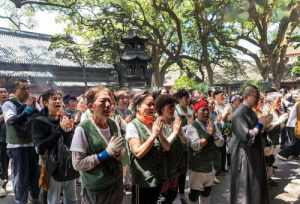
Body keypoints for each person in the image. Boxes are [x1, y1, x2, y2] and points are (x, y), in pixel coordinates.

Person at [70, 86, 124, 204]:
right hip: (96, 191)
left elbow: (121, 152)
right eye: (103, 101)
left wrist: (119, 153)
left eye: (110, 100)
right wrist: (105, 154)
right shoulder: (83, 129)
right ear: (91, 106)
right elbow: (77, 164)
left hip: (115, 186)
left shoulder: (113, 124)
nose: (108, 104)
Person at [31, 89, 79, 204]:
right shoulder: (38, 121)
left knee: (72, 200)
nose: (58, 101)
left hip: (69, 166)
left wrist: (70, 131)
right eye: (54, 99)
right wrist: (60, 130)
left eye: (59, 99)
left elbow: (70, 144)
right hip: (51, 168)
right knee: (53, 200)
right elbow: (41, 148)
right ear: (46, 103)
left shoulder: (65, 118)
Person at [126, 91, 170, 204]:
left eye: (153, 105)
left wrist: (159, 134)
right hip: (143, 182)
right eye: (148, 104)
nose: (152, 107)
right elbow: (138, 152)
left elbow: (167, 147)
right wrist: (154, 135)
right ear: (138, 107)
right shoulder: (132, 126)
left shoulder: (154, 123)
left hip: (158, 179)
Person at [230, 85, 271, 204]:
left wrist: (264, 125)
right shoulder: (239, 114)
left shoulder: (250, 111)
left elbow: (256, 131)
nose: (258, 98)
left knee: (255, 187)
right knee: (245, 189)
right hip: (244, 157)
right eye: (255, 96)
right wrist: (260, 125)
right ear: (247, 96)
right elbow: (247, 136)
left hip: (254, 154)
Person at [2, 79, 40, 204]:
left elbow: (40, 117)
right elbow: (12, 121)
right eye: (24, 88)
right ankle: (20, 200)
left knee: (34, 175)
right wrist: (28, 109)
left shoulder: (33, 102)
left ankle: (34, 198)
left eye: (28, 88)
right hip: (17, 146)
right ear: (15, 90)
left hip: (32, 144)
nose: (27, 91)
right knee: (20, 176)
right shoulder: (8, 104)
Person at [155, 95, 186, 204]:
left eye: (174, 107)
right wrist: (175, 132)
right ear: (162, 108)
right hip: (164, 172)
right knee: (163, 199)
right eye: (170, 107)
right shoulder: (158, 123)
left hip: (175, 169)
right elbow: (165, 146)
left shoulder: (175, 121)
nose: (173, 110)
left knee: (172, 196)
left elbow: (185, 142)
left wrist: (180, 133)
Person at [174, 89, 193, 203]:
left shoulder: (190, 110)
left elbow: (192, 125)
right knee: (177, 170)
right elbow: (176, 128)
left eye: (188, 98)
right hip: (177, 144)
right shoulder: (175, 110)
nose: (188, 100)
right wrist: (188, 127)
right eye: (186, 98)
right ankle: (175, 193)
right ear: (180, 99)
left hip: (187, 144)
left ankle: (181, 193)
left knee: (183, 169)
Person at [0, 87, 8, 197]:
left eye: (4, 92)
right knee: (1, 163)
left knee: (6, 164)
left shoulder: (12, 105)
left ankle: (4, 183)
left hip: (10, 140)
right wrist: (5, 114)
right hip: (0, 140)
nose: (3, 93)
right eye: (0, 92)